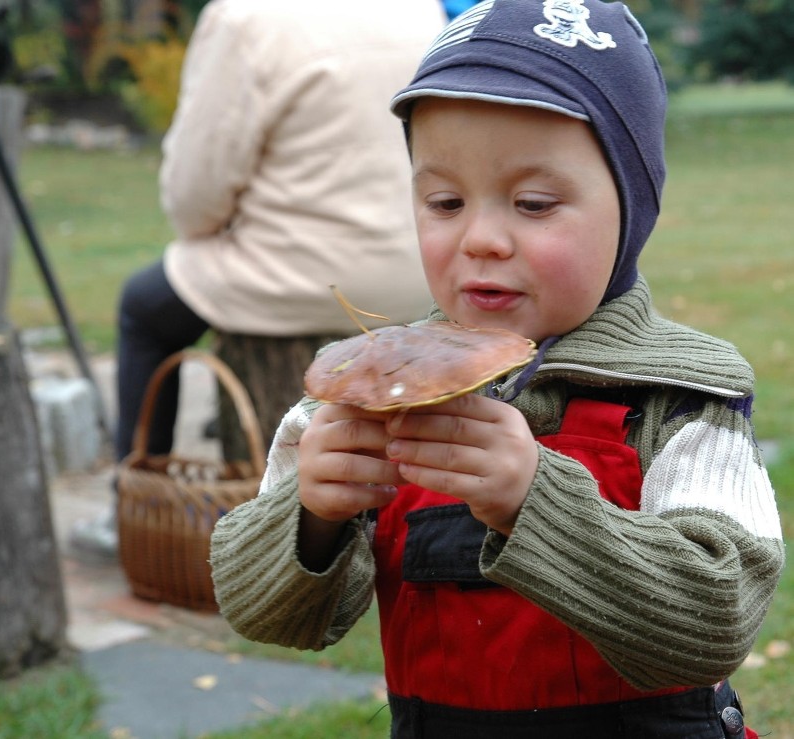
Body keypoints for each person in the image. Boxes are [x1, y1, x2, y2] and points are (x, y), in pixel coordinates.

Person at [209, 1, 786, 736]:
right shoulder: (367, 396)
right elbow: (264, 613)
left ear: (632, 206)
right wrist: (310, 517)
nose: (481, 237)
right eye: (444, 201)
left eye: (534, 203)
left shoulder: (684, 399)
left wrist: (535, 501)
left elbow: (720, 619)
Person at [69, 0, 447, 557]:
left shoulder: (243, 18)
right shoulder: (419, 9)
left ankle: (135, 507)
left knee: (143, 307)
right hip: (417, 271)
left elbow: (193, 197)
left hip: (296, 277)